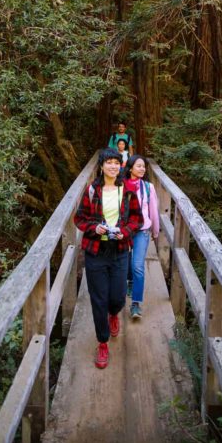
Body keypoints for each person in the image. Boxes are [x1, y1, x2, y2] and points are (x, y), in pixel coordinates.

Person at [74, 148, 143, 368]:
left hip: (120, 250)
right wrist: (95, 227)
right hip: (96, 252)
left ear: (120, 166)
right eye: (108, 163)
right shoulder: (92, 191)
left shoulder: (128, 191)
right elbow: (80, 219)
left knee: (117, 297)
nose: (112, 166)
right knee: (99, 299)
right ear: (101, 166)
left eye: (116, 163)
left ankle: (115, 313)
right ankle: (102, 342)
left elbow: (137, 220)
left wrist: (127, 231)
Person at [124, 155, 160, 320]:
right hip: (124, 230)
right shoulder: (121, 185)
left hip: (142, 230)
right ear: (130, 168)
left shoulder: (148, 187)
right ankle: (130, 282)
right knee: (127, 260)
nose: (142, 169)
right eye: (138, 166)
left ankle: (136, 304)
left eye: (144, 166)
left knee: (138, 265)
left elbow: (153, 209)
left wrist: (155, 230)